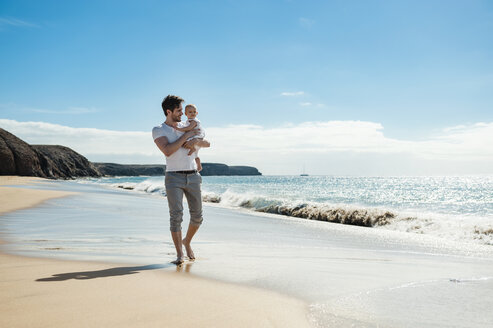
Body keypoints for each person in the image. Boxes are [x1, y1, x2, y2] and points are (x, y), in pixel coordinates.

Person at [152, 95, 210, 265]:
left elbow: (207, 142)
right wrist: (187, 137)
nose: (182, 114)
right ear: (168, 112)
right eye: (179, 111)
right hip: (173, 177)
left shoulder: (187, 125)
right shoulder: (159, 129)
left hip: (193, 176)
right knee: (176, 216)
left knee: (197, 217)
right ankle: (179, 254)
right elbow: (168, 150)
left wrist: (196, 140)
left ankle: (187, 242)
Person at [171, 104, 205, 172]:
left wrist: (178, 129)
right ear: (186, 114)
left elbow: (188, 128)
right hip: (197, 137)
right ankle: (199, 166)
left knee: (183, 141)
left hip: (197, 136)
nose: (193, 113)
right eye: (190, 112)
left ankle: (192, 148)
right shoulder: (188, 121)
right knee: (196, 155)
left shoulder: (193, 121)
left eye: (194, 112)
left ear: (197, 113)